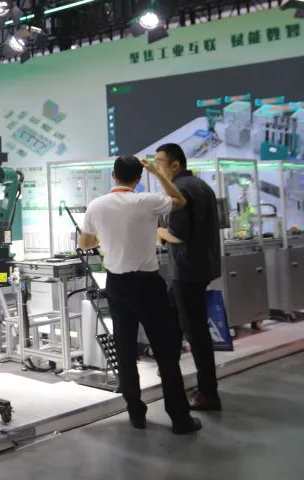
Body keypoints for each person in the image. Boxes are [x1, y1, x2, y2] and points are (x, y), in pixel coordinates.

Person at [78, 156, 201, 435]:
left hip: (116, 284)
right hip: (147, 284)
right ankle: (180, 419)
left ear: (113, 176)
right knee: (165, 351)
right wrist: (157, 173)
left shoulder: (96, 205)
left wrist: (107, 238)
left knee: (125, 349)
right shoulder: (147, 201)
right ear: (138, 178)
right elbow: (180, 201)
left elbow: (84, 244)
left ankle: (136, 413)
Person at [154, 143, 222, 412]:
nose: (157, 168)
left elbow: (178, 234)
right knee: (170, 314)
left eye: (160, 162)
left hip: (187, 270)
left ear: (175, 165)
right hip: (199, 266)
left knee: (196, 331)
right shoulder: (201, 185)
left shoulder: (180, 190)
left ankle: (208, 393)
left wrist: (159, 233)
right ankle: (169, 370)